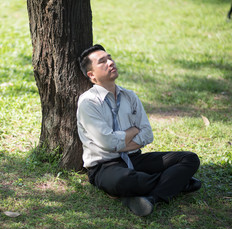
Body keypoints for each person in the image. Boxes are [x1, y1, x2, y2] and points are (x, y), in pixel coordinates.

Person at [77, 44, 201, 216]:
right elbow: (108, 143)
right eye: (102, 62)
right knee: (127, 180)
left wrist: (121, 140)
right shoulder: (88, 102)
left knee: (189, 159)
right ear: (91, 75)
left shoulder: (129, 96)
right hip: (105, 166)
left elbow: (147, 134)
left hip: (135, 158)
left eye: (110, 58)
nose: (111, 63)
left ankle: (151, 198)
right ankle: (179, 183)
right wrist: (133, 130)